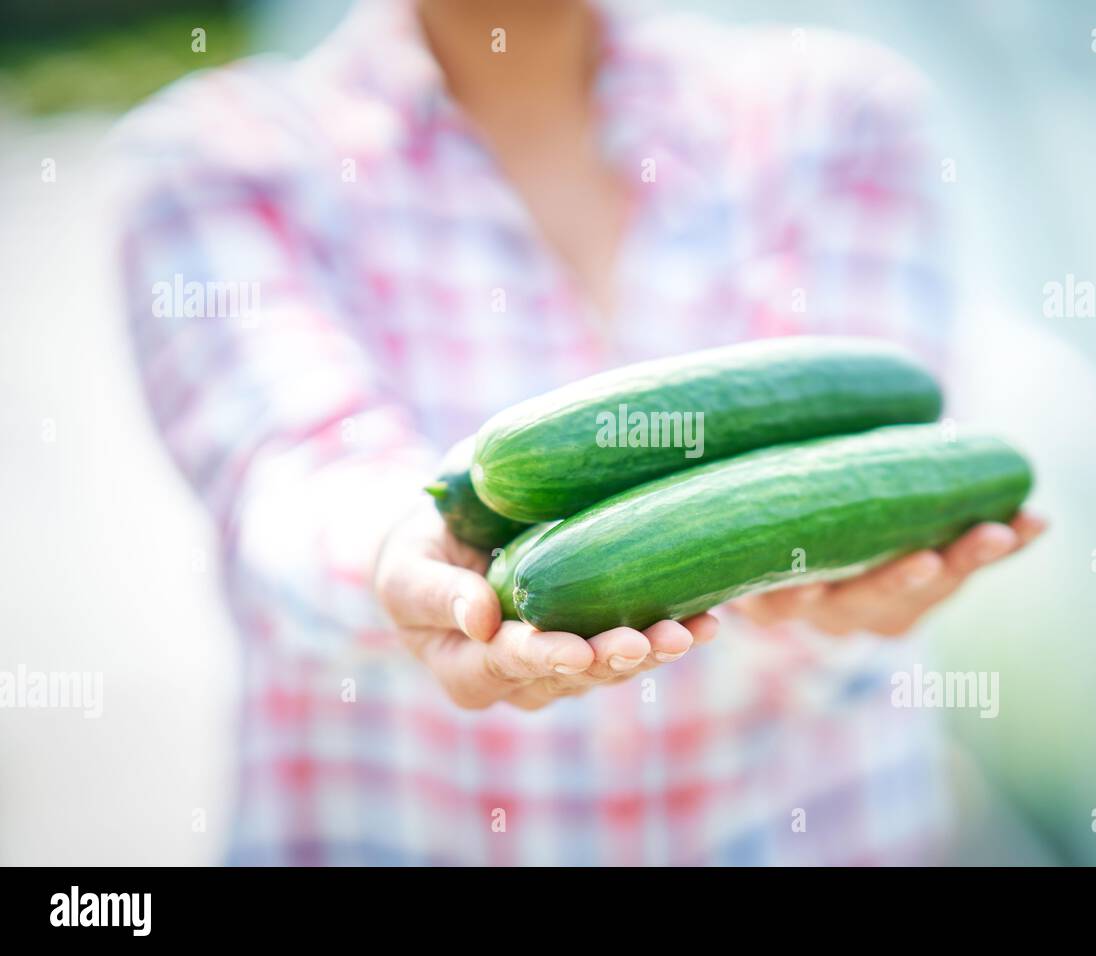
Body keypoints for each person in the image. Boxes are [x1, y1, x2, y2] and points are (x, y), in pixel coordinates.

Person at [115, 0, 1044, 865]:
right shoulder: (215, 160)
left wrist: (852, 594)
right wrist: (398, 552)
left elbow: (886, 439)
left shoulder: (836, 113)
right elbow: (292, 464)